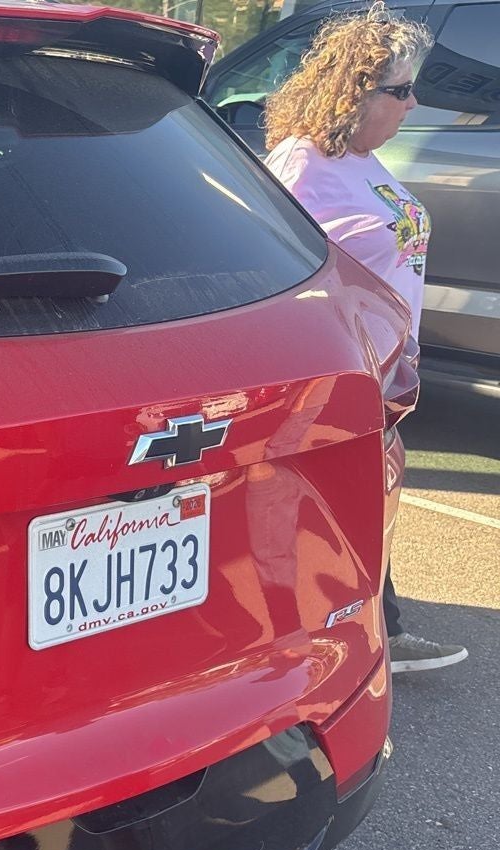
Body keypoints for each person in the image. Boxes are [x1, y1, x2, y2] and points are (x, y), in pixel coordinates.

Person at [264, 2, 467, 675]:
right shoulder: (302, 163)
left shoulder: (366, 163)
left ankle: (363, 630)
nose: (412, 105)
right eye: (401, 90)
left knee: (365, 500)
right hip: (340, 368)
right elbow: (268, 263)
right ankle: (347, 642)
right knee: (339, 503)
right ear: (355, 89)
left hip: (387, 366)